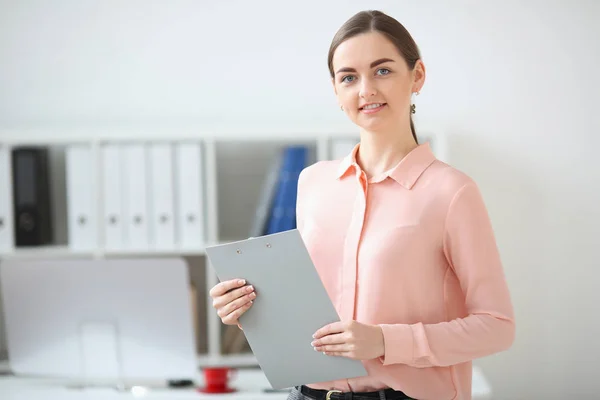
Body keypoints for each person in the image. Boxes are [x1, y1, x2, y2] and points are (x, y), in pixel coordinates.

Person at [209, 9, 515, 400]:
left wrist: (385, 341)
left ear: (417, 76)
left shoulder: (451, 191)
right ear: (337, 92)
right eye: (349, 77)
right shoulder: (313, 183)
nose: (366, 89)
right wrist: (247, 309)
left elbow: (497, 326)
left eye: (383, 70)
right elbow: (306, 311)